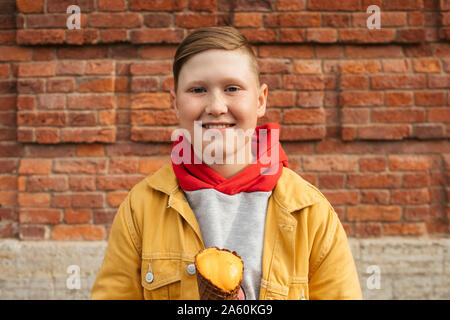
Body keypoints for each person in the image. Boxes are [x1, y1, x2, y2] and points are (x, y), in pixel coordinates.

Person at [91, 26, 362, 300]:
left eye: (232, 88)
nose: (217, 106)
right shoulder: (141, 209)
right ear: (175, 103)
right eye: (198, 89)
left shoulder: (311, 212)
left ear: (260, 100)